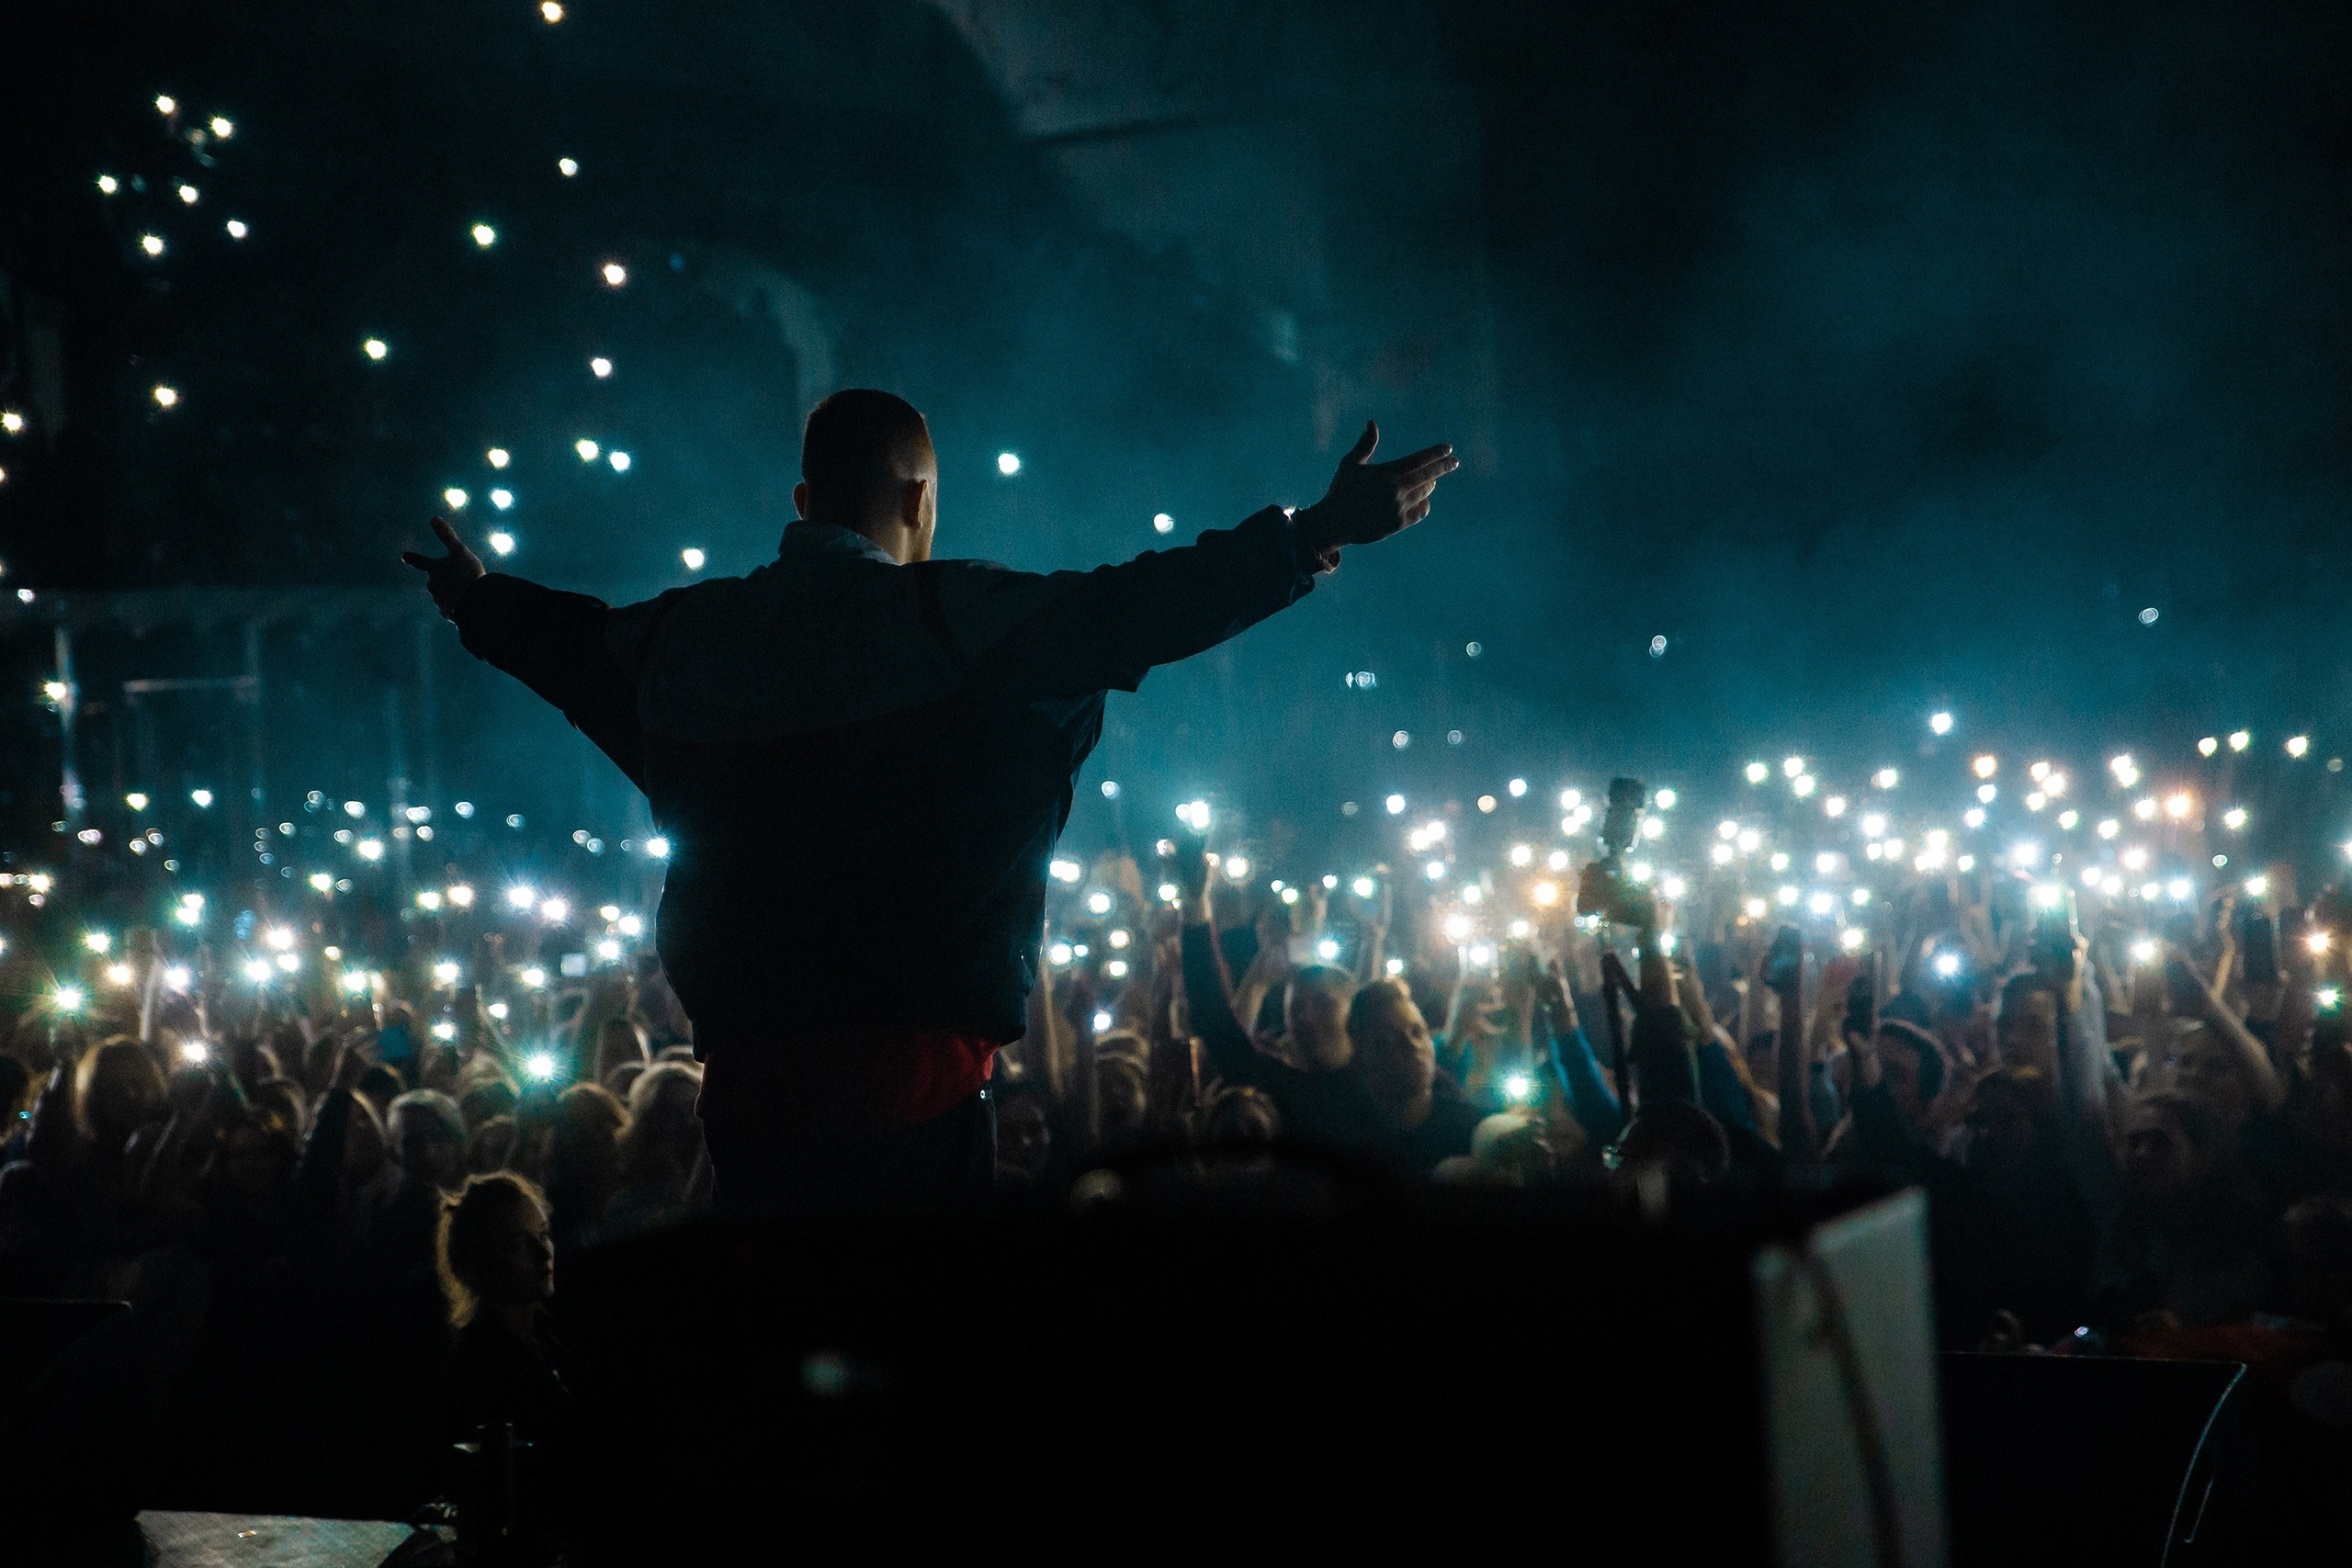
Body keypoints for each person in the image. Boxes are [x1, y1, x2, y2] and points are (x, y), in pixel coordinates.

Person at [404, 389, 1457, 1209]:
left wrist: (477, 600)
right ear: (916, 502)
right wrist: (1313, 531)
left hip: (745, 1098)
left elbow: (568, 646)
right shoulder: (955, 619)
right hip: (911, 1089)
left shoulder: (678, 641)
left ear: (804, 503)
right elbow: (1137, 606)